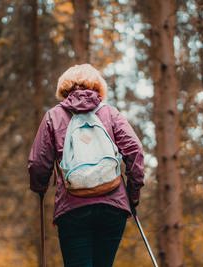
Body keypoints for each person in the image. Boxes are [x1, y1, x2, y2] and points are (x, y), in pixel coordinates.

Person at [28, 64, 144, 267]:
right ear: (98, 86)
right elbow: (135, 151)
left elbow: (38, 163)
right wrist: (132, 196)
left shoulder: (53, 117)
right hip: (112, 207)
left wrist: (39, 188)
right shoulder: (110, 114)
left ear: (64, 88)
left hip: (72, 208)